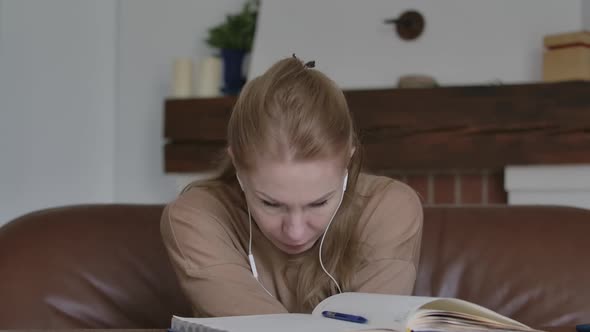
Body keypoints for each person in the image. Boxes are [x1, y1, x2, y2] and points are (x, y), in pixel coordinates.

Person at [160, 55, 423, 317]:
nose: (295, 232)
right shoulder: (194, 217)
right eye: (271, 203)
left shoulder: (389, 208)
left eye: (319, 202)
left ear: (348, 162)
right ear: (238, 167)